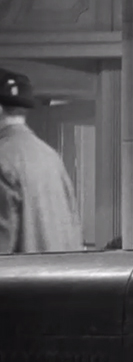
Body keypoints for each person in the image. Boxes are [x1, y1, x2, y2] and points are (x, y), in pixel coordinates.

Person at [0, 68, 83, 253]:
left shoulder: (3, 159)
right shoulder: (52, 159)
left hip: (21, 280)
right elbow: (74, 231)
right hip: (62, 278)